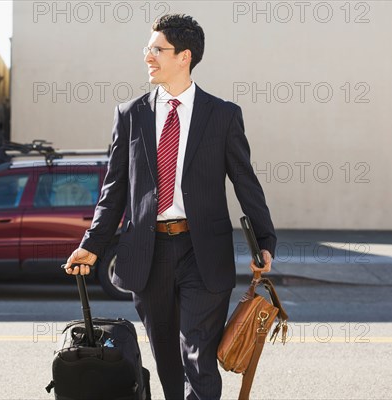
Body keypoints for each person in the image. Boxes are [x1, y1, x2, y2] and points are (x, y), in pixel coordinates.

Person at [64, 13, 276, 400]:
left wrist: (265, 240)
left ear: (184, 56)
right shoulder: (130, 115)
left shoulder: (223, 115)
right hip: (148, 253)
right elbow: (114, 190)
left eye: (156, 49)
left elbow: (245, 180)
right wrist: (92, 245)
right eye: (148, 48)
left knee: (198, 355)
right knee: (166, 357)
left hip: (203, 251)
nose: (148, 56)